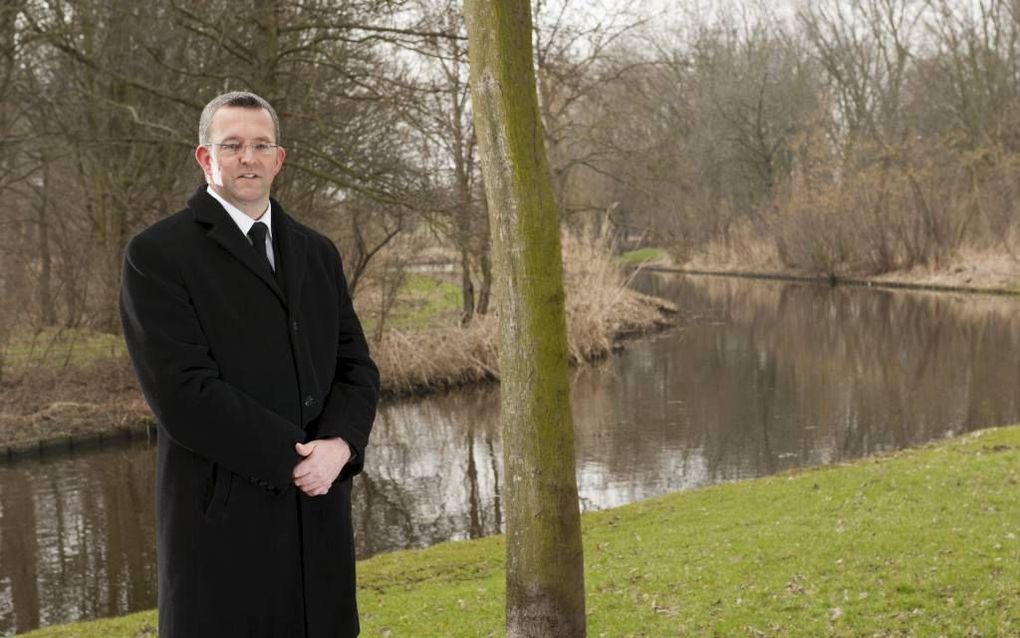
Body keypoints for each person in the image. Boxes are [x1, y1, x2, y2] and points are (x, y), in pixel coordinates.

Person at [120, 91, 380, 638]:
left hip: (320, 514)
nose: (248, 157)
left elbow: (356, 367)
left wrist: (340, 447)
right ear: (204, 157)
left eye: (261, 145)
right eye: (232, 145)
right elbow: (182, 393)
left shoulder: (317, 252)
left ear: (278, 159)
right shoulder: (158, 255)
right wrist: (292, 460)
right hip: (222, 523)